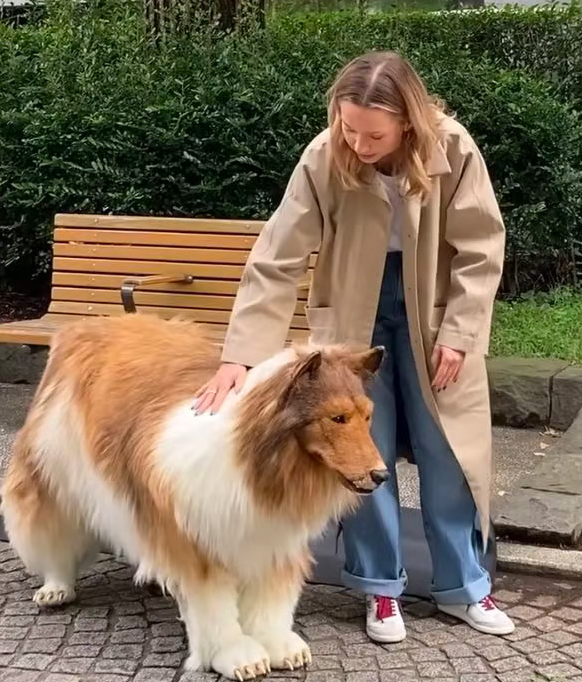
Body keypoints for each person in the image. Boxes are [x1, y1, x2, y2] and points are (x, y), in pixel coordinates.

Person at [192, 50, 514, 642]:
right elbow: (277, 256)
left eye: (374, 133)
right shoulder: (324, 155)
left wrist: (463, 335)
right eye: (348, 127)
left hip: (435, 319)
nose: (359, 144)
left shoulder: (454, 148)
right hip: (351, 324)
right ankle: (378, 591)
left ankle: (465, 588)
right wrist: (240, 357)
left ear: (408, 122)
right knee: (358, 453)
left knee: (451, 451)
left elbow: (481, 247)